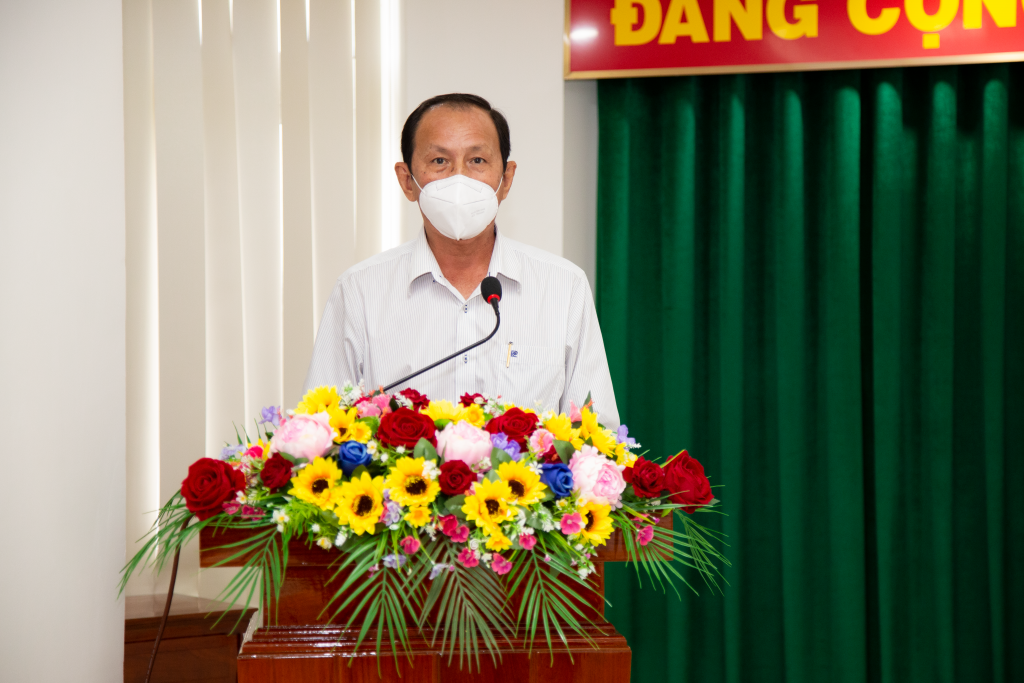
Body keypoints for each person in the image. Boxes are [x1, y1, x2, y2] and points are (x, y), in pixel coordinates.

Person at [303, 93, 618, 425]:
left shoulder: (563, 287)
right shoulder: (359, 290)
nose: (459, 179)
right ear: (407, 181)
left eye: (477, 160)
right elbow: (320, 428)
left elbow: (596, 434)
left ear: (506, 179)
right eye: (439, 161)